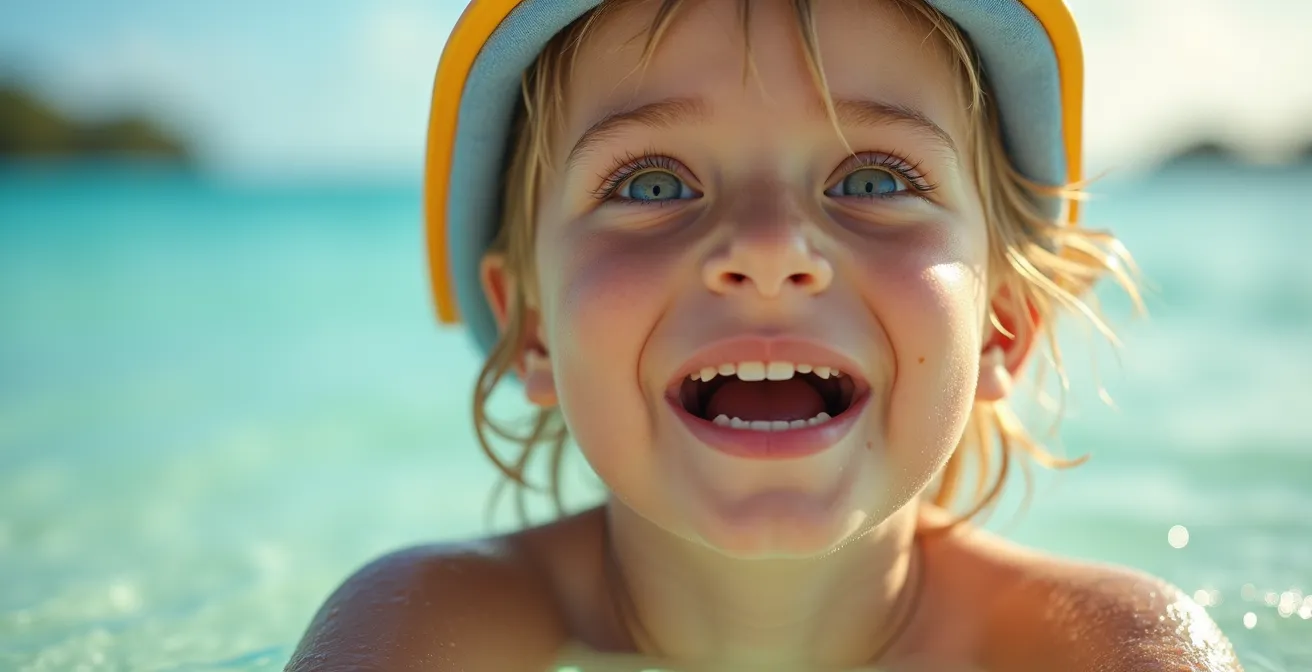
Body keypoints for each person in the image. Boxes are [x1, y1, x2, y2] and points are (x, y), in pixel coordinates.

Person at [288, 0, 1243, 670]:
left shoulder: (1111, 649)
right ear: (529, 327)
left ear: (1001, 324)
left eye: (872, 181)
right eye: (652, 185)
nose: (770, 248)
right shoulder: (427, 627)